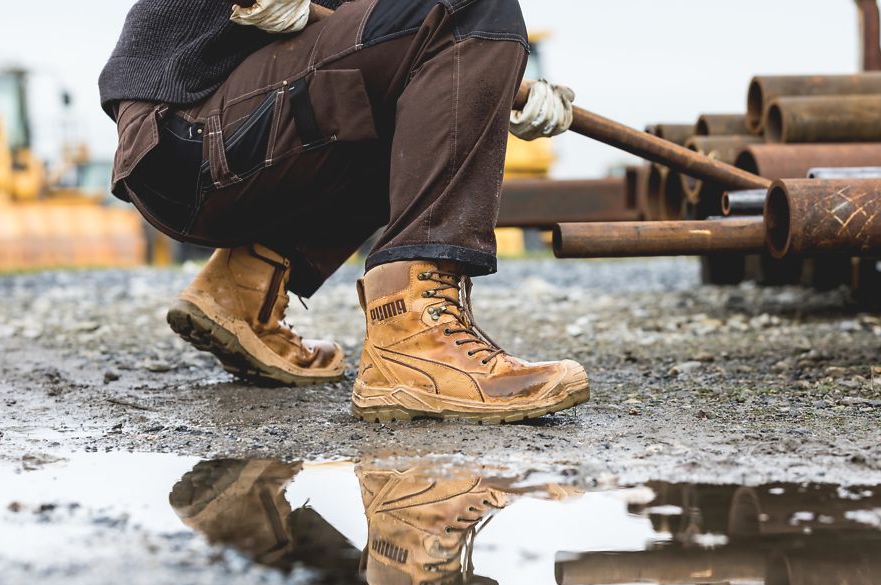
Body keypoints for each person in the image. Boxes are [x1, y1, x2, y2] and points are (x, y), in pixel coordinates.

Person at [99, 0, 587, 423]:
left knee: (421, 101)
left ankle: (245, 284)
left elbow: (399, 46)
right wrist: (476, 38)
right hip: (187, 133)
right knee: (473, 5)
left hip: (208, 152)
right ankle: (413, 333)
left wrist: (488, 84)